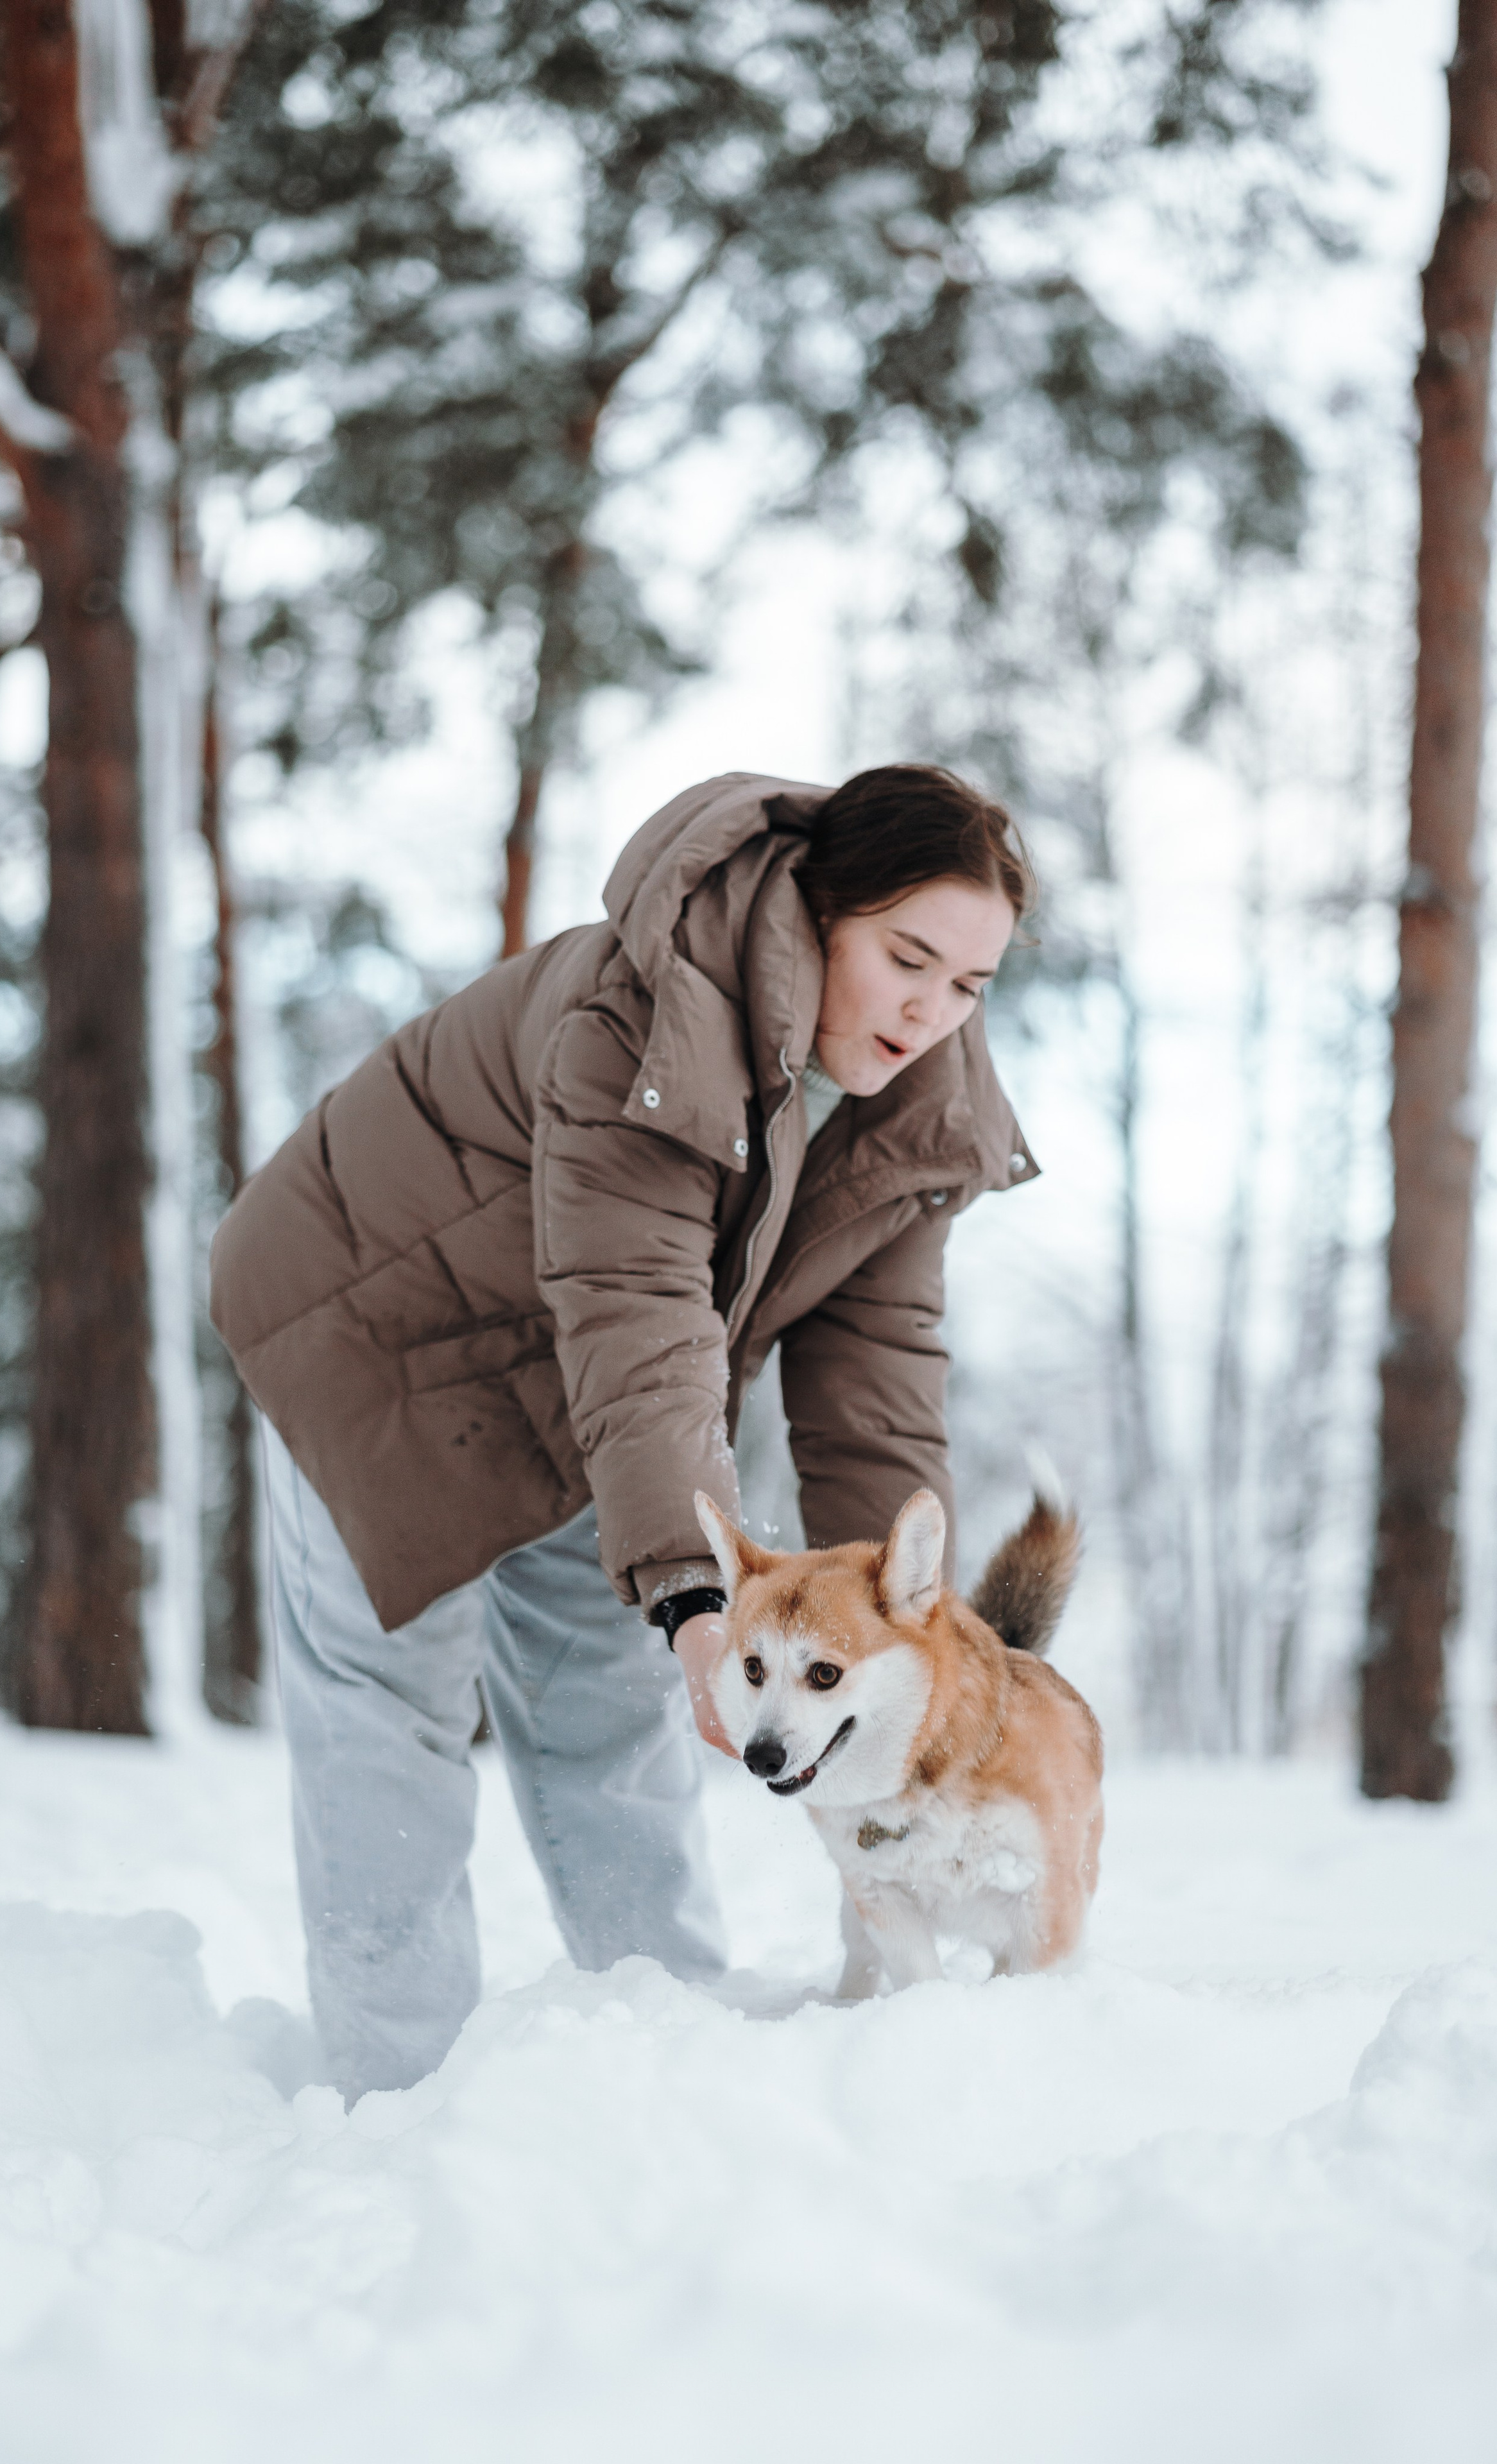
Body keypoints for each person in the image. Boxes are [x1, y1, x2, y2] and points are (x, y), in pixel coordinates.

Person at [209, 765, 1038, 2098]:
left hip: (592, 1371)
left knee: (612, 1711)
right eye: (905, 958)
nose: (929, 1012)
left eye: (967, 986)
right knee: (393, 1709)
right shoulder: (645, 1014)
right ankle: (390, 2092)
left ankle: (662, 2066)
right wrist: (700, 1603)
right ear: (819, 912)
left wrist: (905, 1627)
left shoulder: (915, 1112)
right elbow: (642, 1303)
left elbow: (872, 1368)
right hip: (372, 1329)